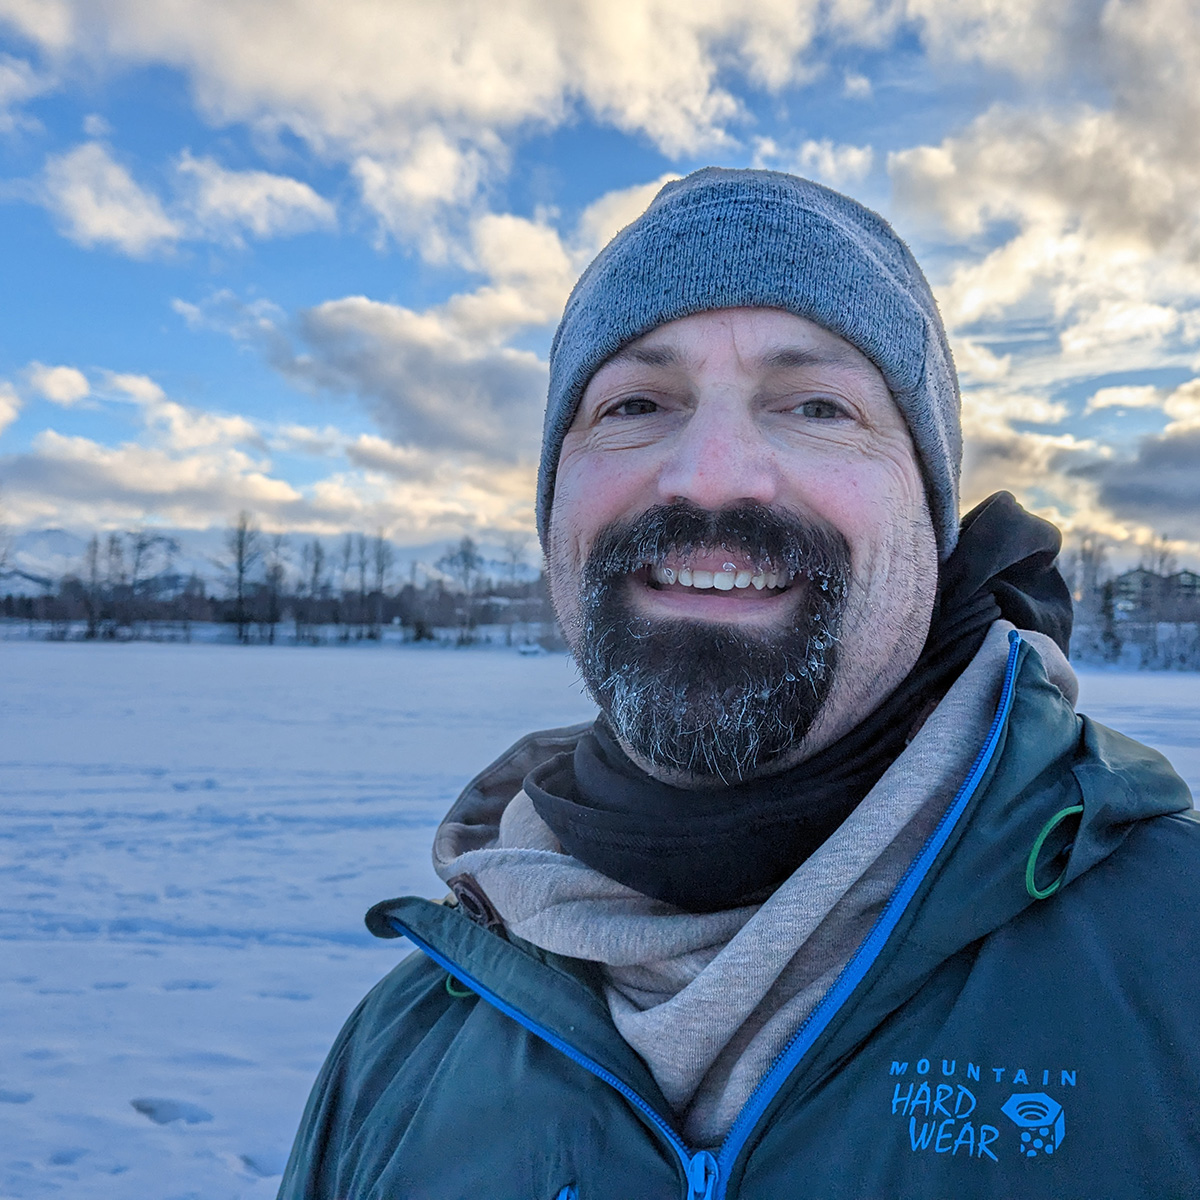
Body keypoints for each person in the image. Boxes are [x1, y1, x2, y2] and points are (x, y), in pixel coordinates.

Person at [277, 169, 1200, 1200]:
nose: (712, 474)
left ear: (929, 517)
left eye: (816, 405)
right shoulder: (402, 1055)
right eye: (635, 403)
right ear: (553, 508)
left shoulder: (1178, 968)